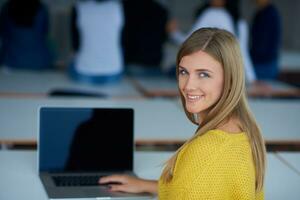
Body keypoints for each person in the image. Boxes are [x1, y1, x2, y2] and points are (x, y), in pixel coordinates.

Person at [98, 28, 266, 199]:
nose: (188, 85)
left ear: (230, 79)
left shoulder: (204, 151)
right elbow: (206, 188)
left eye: (203, 74)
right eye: (184, 72)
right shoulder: (245, 129)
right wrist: (147, 185)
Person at [169, 0, 257, 85]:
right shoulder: (240, 23)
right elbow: (242, 52)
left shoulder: (212, 13)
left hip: (208, 72)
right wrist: (252, 79)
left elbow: (189, 42)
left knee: (175, 70)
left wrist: (173, 32)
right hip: (229, 75)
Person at [70, 0, 124, 84]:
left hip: (84, 73)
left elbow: (75, 45)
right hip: (113, 72)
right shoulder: (118, 6)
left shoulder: (78, 7)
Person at [121, 0, 171, 76]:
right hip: (152, 64)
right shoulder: (160, 10)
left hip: (128, 63)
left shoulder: (123, 7)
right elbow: (164, 37)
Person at [0, 0, 53, 70]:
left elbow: (3, 33)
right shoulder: (41, 9)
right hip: (39, 62)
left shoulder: (6, 8)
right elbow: (45, 32)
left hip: (11, 61)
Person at [250, 0, 281, 80]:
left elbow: (264, 42)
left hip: (265, 63)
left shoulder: (270, 13)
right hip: (259, 62)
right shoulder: (260, 13)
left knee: (263, 90)